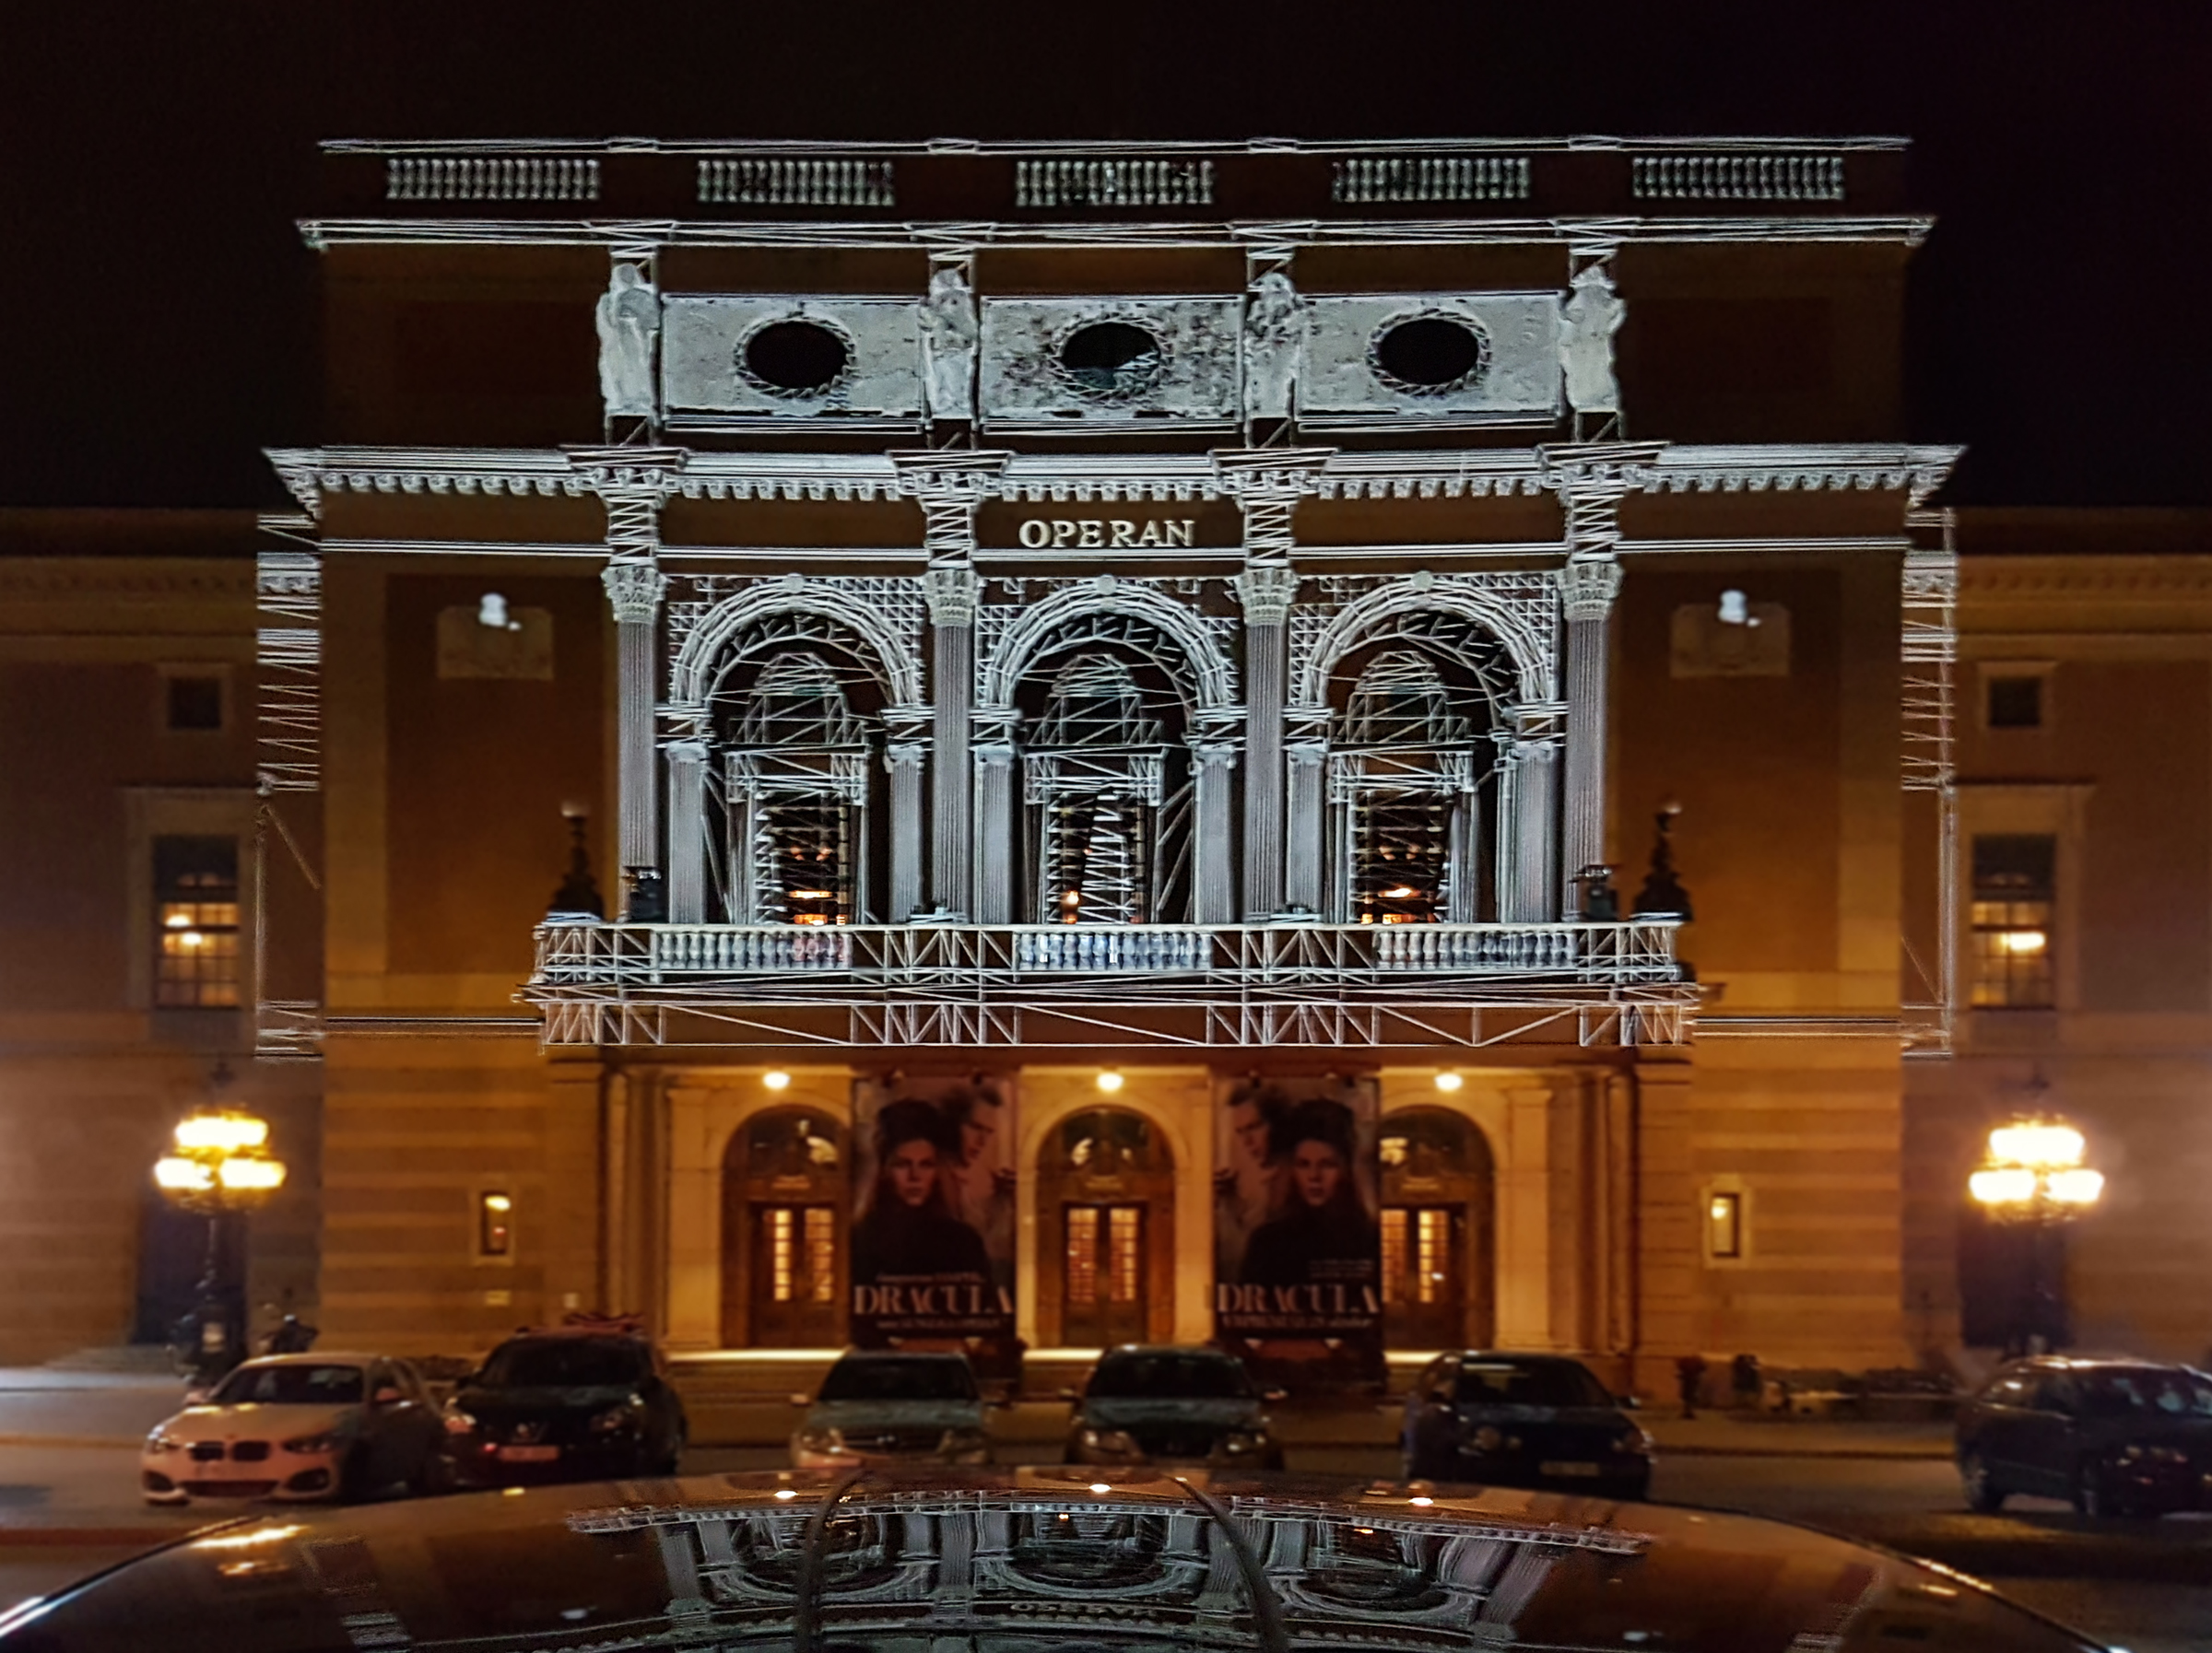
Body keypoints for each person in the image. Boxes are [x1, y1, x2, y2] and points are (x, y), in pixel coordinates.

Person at [851, 1099, 993, 1289]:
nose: (915, 1177)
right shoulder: (863, 1240)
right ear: (885, 1171)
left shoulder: (963, 1242)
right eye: (902, 1165)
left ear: (937, 1171)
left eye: (926, 1165)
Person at [1238, 1098, 1378, 1289]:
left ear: (1346, 1170)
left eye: (1327, 1165)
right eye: (1304, 1164)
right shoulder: (1268, 1243)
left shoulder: (1369, 1239)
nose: (1314, 1176)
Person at [1215, 1081, 1291, 1276]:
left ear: (1276, 1123)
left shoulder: (1296, 1178)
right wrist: (1231, 1204)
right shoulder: (1262, 1181)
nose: (1247, 1142)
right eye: (1241, 1132)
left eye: (1254, 1127)